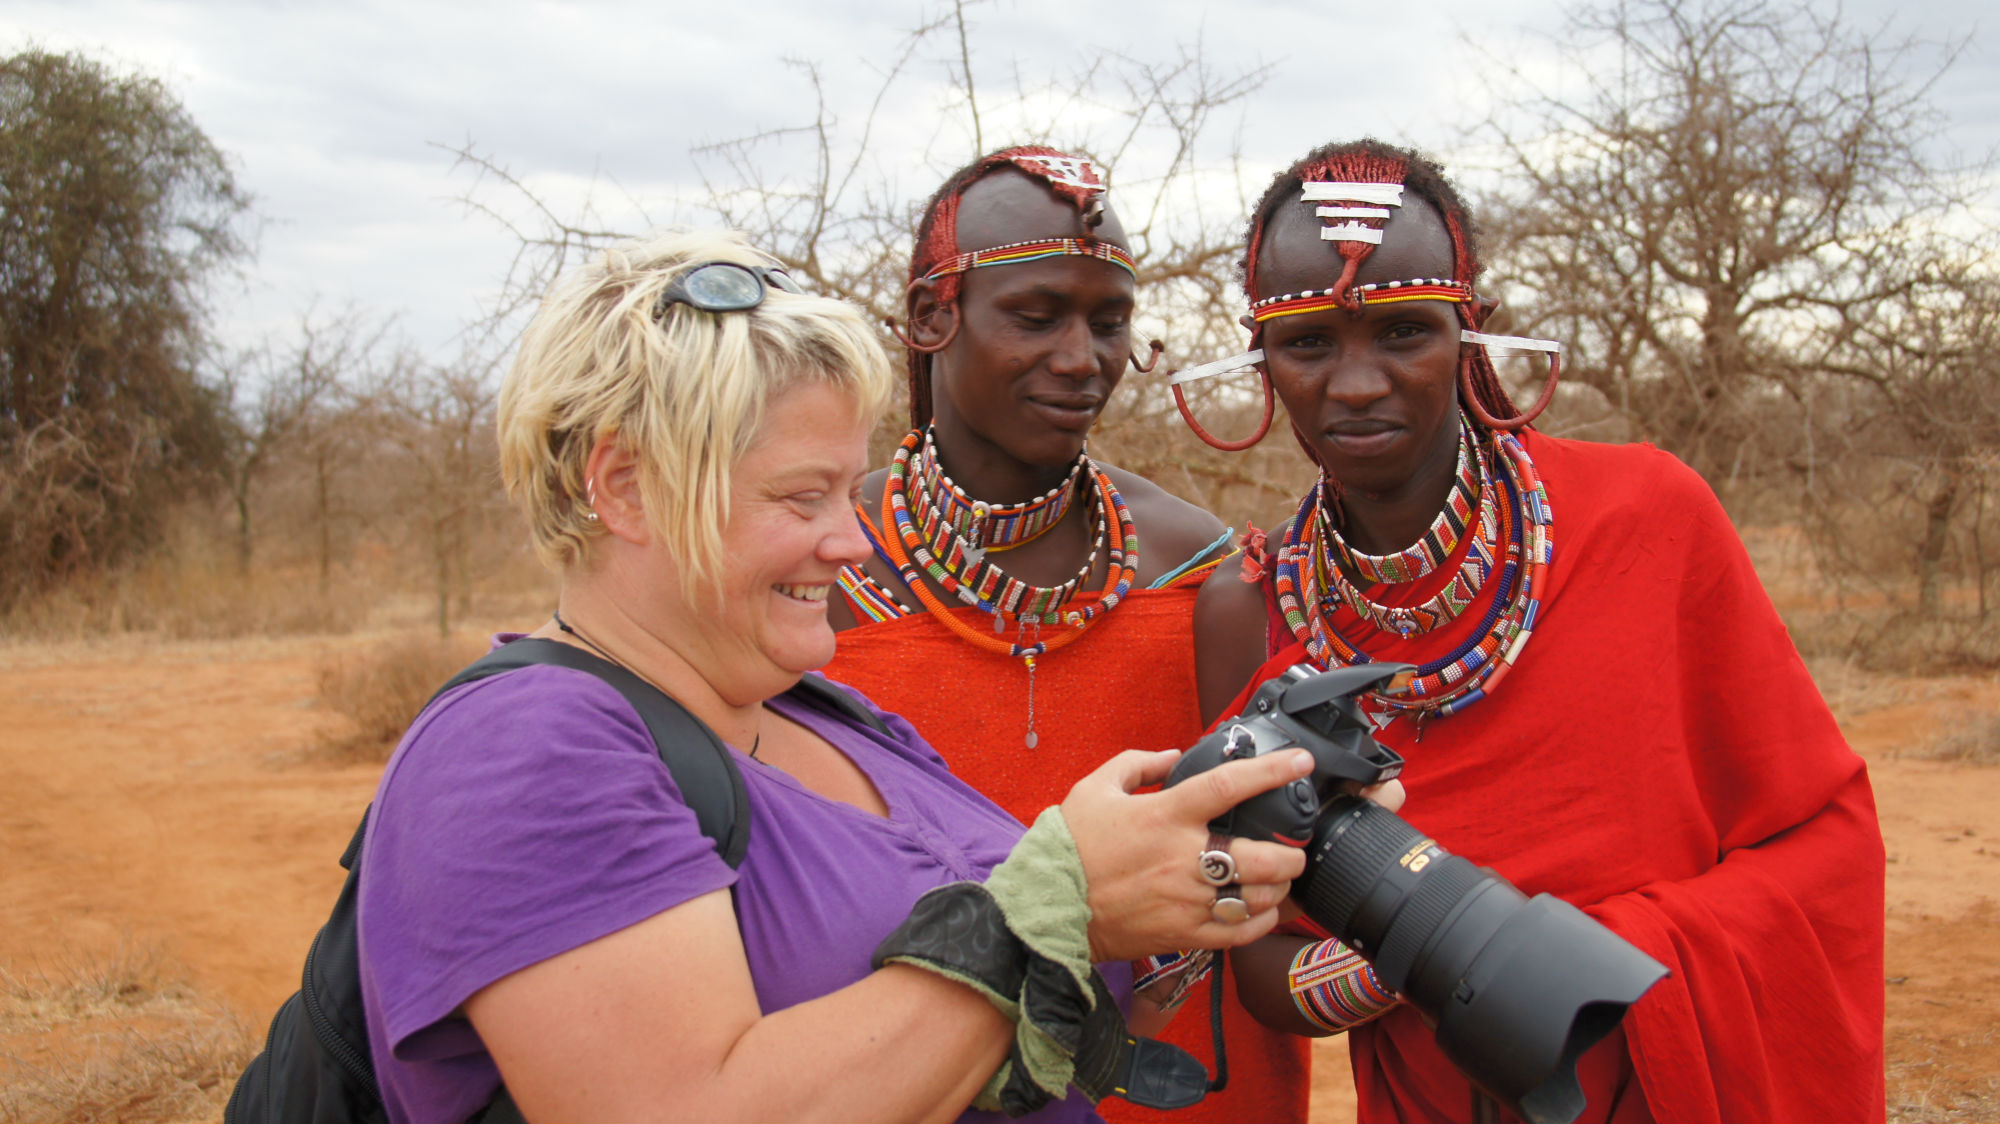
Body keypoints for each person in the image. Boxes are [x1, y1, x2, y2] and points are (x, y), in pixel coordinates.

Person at [351, 230, 1323, 1124]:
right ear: (622, 487)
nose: (850, 540)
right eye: (800, 495)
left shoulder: (825, 714)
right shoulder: (524, 748)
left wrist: (1181, 872)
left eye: (847, 487)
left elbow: (992, 1022)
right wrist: (1060, 901)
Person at [1177, 139, 1886, 1122]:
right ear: (1261, 359)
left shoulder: (1645, 516)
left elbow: (1823, 837)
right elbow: (1251, 952)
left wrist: (1576, 953)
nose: (1353, 383)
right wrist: (1426, 949)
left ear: (1473, 332)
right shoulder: (1246, 608)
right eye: (1305, 344)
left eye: (1403, 333)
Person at [821, 147, 1320, 1124]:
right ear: (931, 317)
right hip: (906, 1082)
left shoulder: (1208, 575)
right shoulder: (822, 573)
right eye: (1035, 315)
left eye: (1108, 320)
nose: (1080, 358)